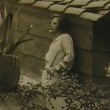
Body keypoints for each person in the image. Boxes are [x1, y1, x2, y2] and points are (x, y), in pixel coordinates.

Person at [41, 14, 75, 86]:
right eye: (50, 23)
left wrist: (56, 69)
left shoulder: (66, 37)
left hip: (56, 78)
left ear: (61, 26)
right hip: (47, 77)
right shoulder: (56, 39)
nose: (51, 25)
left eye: (54, 23)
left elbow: (70, 56)